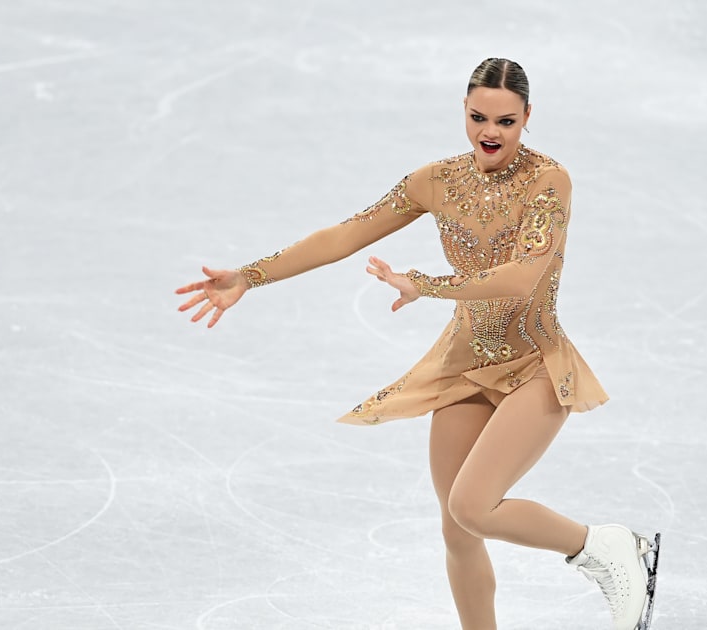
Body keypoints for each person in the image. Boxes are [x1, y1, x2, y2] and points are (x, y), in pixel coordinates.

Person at [175, 58, 661, 630]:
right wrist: (250, 277)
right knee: (457, 532)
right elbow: (345, 234)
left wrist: (426, 285)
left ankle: (606, 547)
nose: (491, 132)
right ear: (463, 110)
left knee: (472, 505)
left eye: (506, 121)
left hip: (534, 362)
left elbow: (521, 277)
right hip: (464, 363)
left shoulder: (549, 181)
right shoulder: (437, 180)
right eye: (479, 116)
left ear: (528, 117)